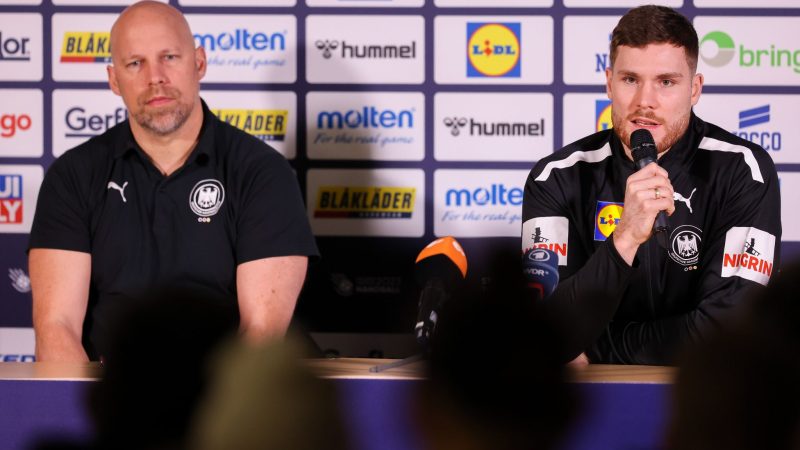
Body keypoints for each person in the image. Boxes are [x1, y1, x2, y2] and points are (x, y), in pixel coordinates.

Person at [28, 1, 318, 362]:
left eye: (169, 57)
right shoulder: (72, 176)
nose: (155, 78)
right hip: (116, 400)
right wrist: (101, 416)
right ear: (114, 80)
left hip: (229, 404)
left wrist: (208, 418)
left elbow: (261, 335)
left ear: (199, 63)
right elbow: (57, 328)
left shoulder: (261, 173)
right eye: (135, 63)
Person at [521, 5, 781, 364]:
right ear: (609, 83)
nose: (645, 101)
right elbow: (548, 332)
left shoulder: (743, 170)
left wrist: (597, 350)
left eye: (666, 82)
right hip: (592, 402)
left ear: (694, 89)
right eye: (630, 80)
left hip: (704, 398)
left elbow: (727, 329)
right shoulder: (556, 176)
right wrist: (624, 238)